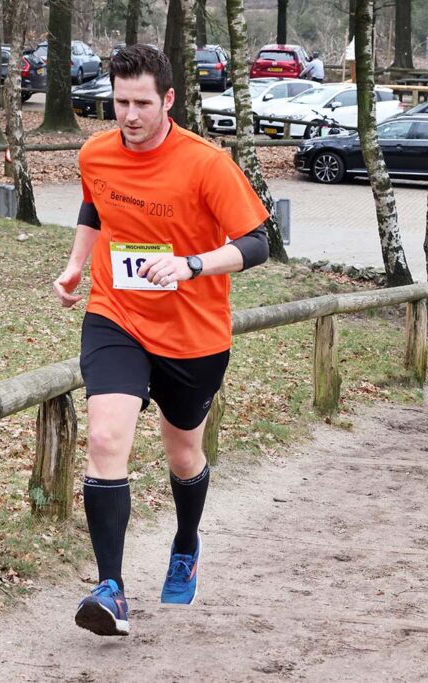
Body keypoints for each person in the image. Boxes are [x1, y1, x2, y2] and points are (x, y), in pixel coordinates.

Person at [52, 44, 270, 636]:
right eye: (119, 102)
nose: (129, 115)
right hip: (116, 316)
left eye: (141, 102)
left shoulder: (205, 162)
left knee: (182, 454)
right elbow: (94, 208)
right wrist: (77, 265)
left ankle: (185, 541)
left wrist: (192, 265)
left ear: (168, 99)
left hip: (193, 332)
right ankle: (111, 589)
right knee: (104, 436)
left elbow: (256, 243)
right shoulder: (96, 152)